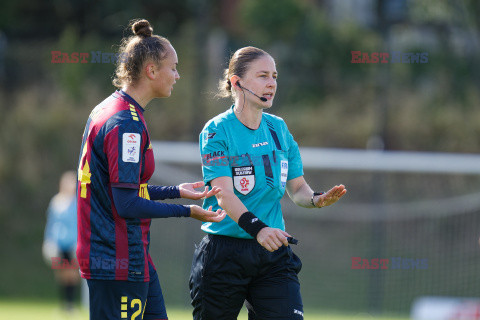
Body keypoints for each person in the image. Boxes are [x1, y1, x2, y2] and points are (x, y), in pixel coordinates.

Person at [76, 19, 226, 320]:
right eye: (173, 67)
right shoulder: (126, 125)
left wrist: (175, 191)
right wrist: (187, 211)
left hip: (130, 256)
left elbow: (120, 188)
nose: (178, 75)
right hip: (116, 259)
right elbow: (126, 204)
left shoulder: (111, 108)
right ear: (151, 71)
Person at [189, 46, 347, 320]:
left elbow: (297, 189)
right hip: (224, 253)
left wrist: (315, 199)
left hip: (272, 251)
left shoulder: (279, 129)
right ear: (236, 82)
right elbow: (223, 193)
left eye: (274, 76)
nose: (272, 83)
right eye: (262, 75)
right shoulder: (216, 130)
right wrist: (258, 229)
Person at [43, 170, 80, 313]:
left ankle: (70, 305)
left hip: (73, 244)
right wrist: (48, 241)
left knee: (72, 275)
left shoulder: (77, 202)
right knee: (62, 275)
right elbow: (51, 223)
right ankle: (64, 305)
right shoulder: (56, 201)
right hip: (58, 245)